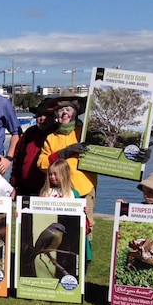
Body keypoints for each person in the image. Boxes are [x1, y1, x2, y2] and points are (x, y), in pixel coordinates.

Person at [37, 94, 97, 225]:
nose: (64, 113)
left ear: (75, 112)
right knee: (57, 229)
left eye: (68, 109)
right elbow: (42, 164)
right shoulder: (51, 138)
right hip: (58, 193)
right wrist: (64, 153)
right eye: (60, 110)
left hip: (84, 190)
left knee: (85, 230)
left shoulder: (87, 133)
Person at [39, 159, 93, 266]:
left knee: (70, 259)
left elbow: (83, 218)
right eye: (50, 174)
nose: (52, 177)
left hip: (70, 233)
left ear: (64, 175)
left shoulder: (74, 194)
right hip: (52, 233)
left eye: (55, 174)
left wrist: (85, 211)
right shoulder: (45, 193)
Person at [11, 102, 56, 198]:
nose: (42, 118)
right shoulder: (29, 133)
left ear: (53, 116)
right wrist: (14, 185)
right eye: (39, 115)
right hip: (25, 189)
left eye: (46, 115)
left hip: (50, 191)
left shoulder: (57, 134)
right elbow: (17, 160)